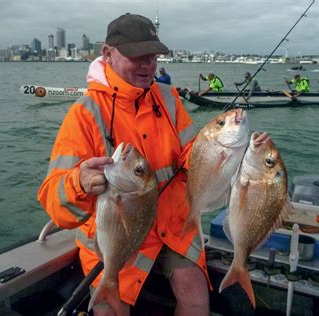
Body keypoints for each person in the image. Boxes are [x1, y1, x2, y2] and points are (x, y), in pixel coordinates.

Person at [37, 13, 210, 316]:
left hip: (174, 223)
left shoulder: (169, 98)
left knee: (196, 298)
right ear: (107, 54)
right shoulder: (84, 113)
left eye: (153, 57)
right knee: (110, 309)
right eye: (137, 57)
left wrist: (214, 151)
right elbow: (54, 201)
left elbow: (189, 155)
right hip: (116, 231)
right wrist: (78, 182)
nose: (148, 66)